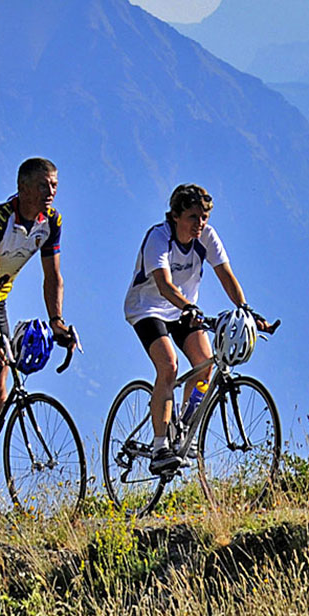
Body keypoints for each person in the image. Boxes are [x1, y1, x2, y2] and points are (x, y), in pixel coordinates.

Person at [0, 158, 77, 492]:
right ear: (23, 188)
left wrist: (57, 322)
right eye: (42, 185)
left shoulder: (51, 221)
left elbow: (53, 276)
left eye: (54, 184)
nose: (50, 192)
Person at [122, 183, 258, 475]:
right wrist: (188, 308)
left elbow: (225, 274)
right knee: (168, 366)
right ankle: (160, 447)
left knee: (205, 365)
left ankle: (183, 428)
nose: (200, 224)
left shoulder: (206, 236)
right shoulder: (159, 238)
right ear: (175, 215)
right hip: (148, 308)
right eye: (193, 217)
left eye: (204, 217)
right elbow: (164, 284)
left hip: (184, 310)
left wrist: (245, 309)